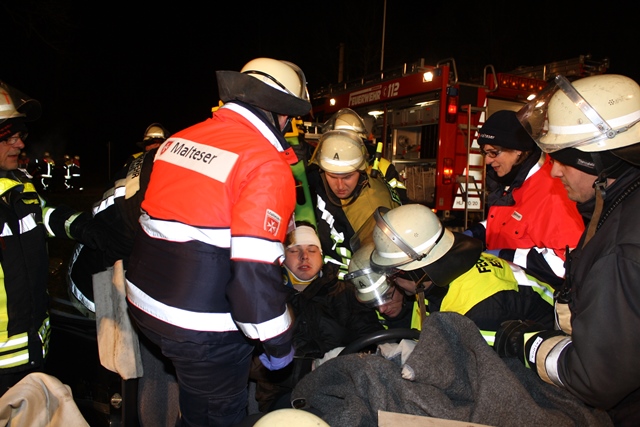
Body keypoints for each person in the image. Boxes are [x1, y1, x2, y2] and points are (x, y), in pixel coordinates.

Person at [124, 57, 312, 427]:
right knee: (216, 417)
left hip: (145, 305)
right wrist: (278, 344)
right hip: (200, 329)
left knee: (197, 406)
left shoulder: (179, 140)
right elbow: (254, 274)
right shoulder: (265, 165)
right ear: (282, 113)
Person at [494, 73, 640, 426]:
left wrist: (530, 344)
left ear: (599, 159)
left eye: (563, 158)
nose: (555, 172)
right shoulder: (617, 205)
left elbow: (594, 379)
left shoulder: (619, 248)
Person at [0, 80, 107, 395]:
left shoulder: (19, 186)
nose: (20, 144)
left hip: (32, 351)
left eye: (21, 134)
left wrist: (86, 226)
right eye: (9, 136)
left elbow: (45, 215)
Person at [66, 145, 180, 426]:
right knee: (132, 362)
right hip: (103, 280)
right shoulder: (135, 208)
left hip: (121, 266)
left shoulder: (160, 169)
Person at [349, 204, 556, 345]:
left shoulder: (479, 310)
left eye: (393, 275)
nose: (392, 281)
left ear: (417, 273)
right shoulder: (434, 287)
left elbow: (491, 378)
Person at [251, 224, 382, 412]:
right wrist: (310, 368)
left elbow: (371, 338)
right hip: (285, 395)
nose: (304, 256)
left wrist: (347, 363)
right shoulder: (267, 298)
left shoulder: (345, 293)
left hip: (346, 385)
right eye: (294, 250)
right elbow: (253, 362)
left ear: (321, 256)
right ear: (282, 257)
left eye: (312, 250)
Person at [464, 110, 584, 288]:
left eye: (493, 152)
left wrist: (505, 257)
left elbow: (567, 264)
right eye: (484, 153)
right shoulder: (513, 180)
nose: (487, 161)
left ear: (518, 150)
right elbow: (508, 222)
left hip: (537, 300)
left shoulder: (553, 194)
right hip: (505, 291)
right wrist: (473, 235)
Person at [307, 128, 401, 279]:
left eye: (347, 177)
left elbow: (380, 271)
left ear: (361, 170)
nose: (340, 185)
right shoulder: (320, 179)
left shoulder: (370, 209)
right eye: (332, 176)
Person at [322, 108, 409, 203]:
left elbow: (400, 202)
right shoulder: (324, 166)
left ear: (362, 144)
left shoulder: (384, 168)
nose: (340, 185)